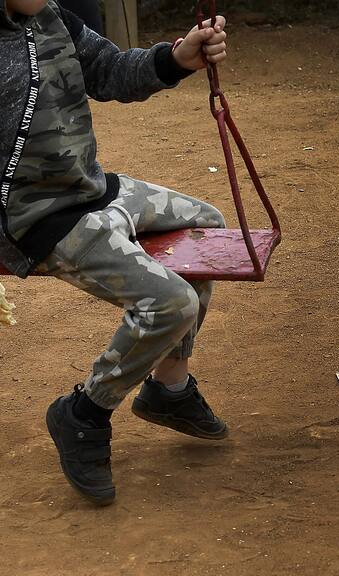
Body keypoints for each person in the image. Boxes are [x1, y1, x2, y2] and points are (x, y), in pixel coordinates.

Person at [1, 0, 230, 505]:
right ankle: (84, 412)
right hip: (34, 221)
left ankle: (168, 389)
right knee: (171, 303)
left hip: (93, 190)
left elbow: (109, 70)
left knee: (207, 230)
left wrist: (176, 58)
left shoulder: (51, 17)